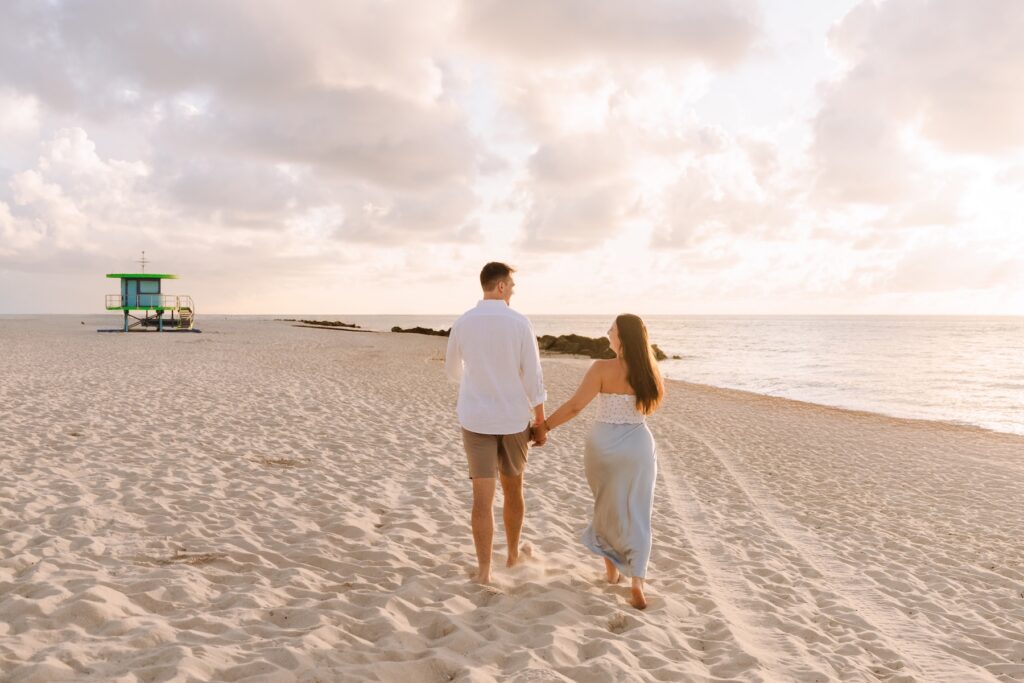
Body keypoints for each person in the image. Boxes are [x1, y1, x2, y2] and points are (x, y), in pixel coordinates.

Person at [535, 314, 664, 609]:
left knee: (606, 507)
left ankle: (611, 576)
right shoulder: (651, 371)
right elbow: (648, 407)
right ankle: (637, 582)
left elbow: (575, 406)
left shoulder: (601, 368)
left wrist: (544, 427)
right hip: (638, 447)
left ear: (622, 337)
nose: (607, 333)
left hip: (603, 447)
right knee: (638, 513)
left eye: (612, 329)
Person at [445, 262, 547, 585]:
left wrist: (475, 382)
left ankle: (485, 572)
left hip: (475, 419)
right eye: (512, 287)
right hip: (514, 419)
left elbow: (452, 372)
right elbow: (533, 376)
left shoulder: (463, 323)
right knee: (513, 489)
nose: (513, 292)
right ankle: (513, 555)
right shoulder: (519, 323)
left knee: (482, 498)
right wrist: (541, 420)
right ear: (501, 286)